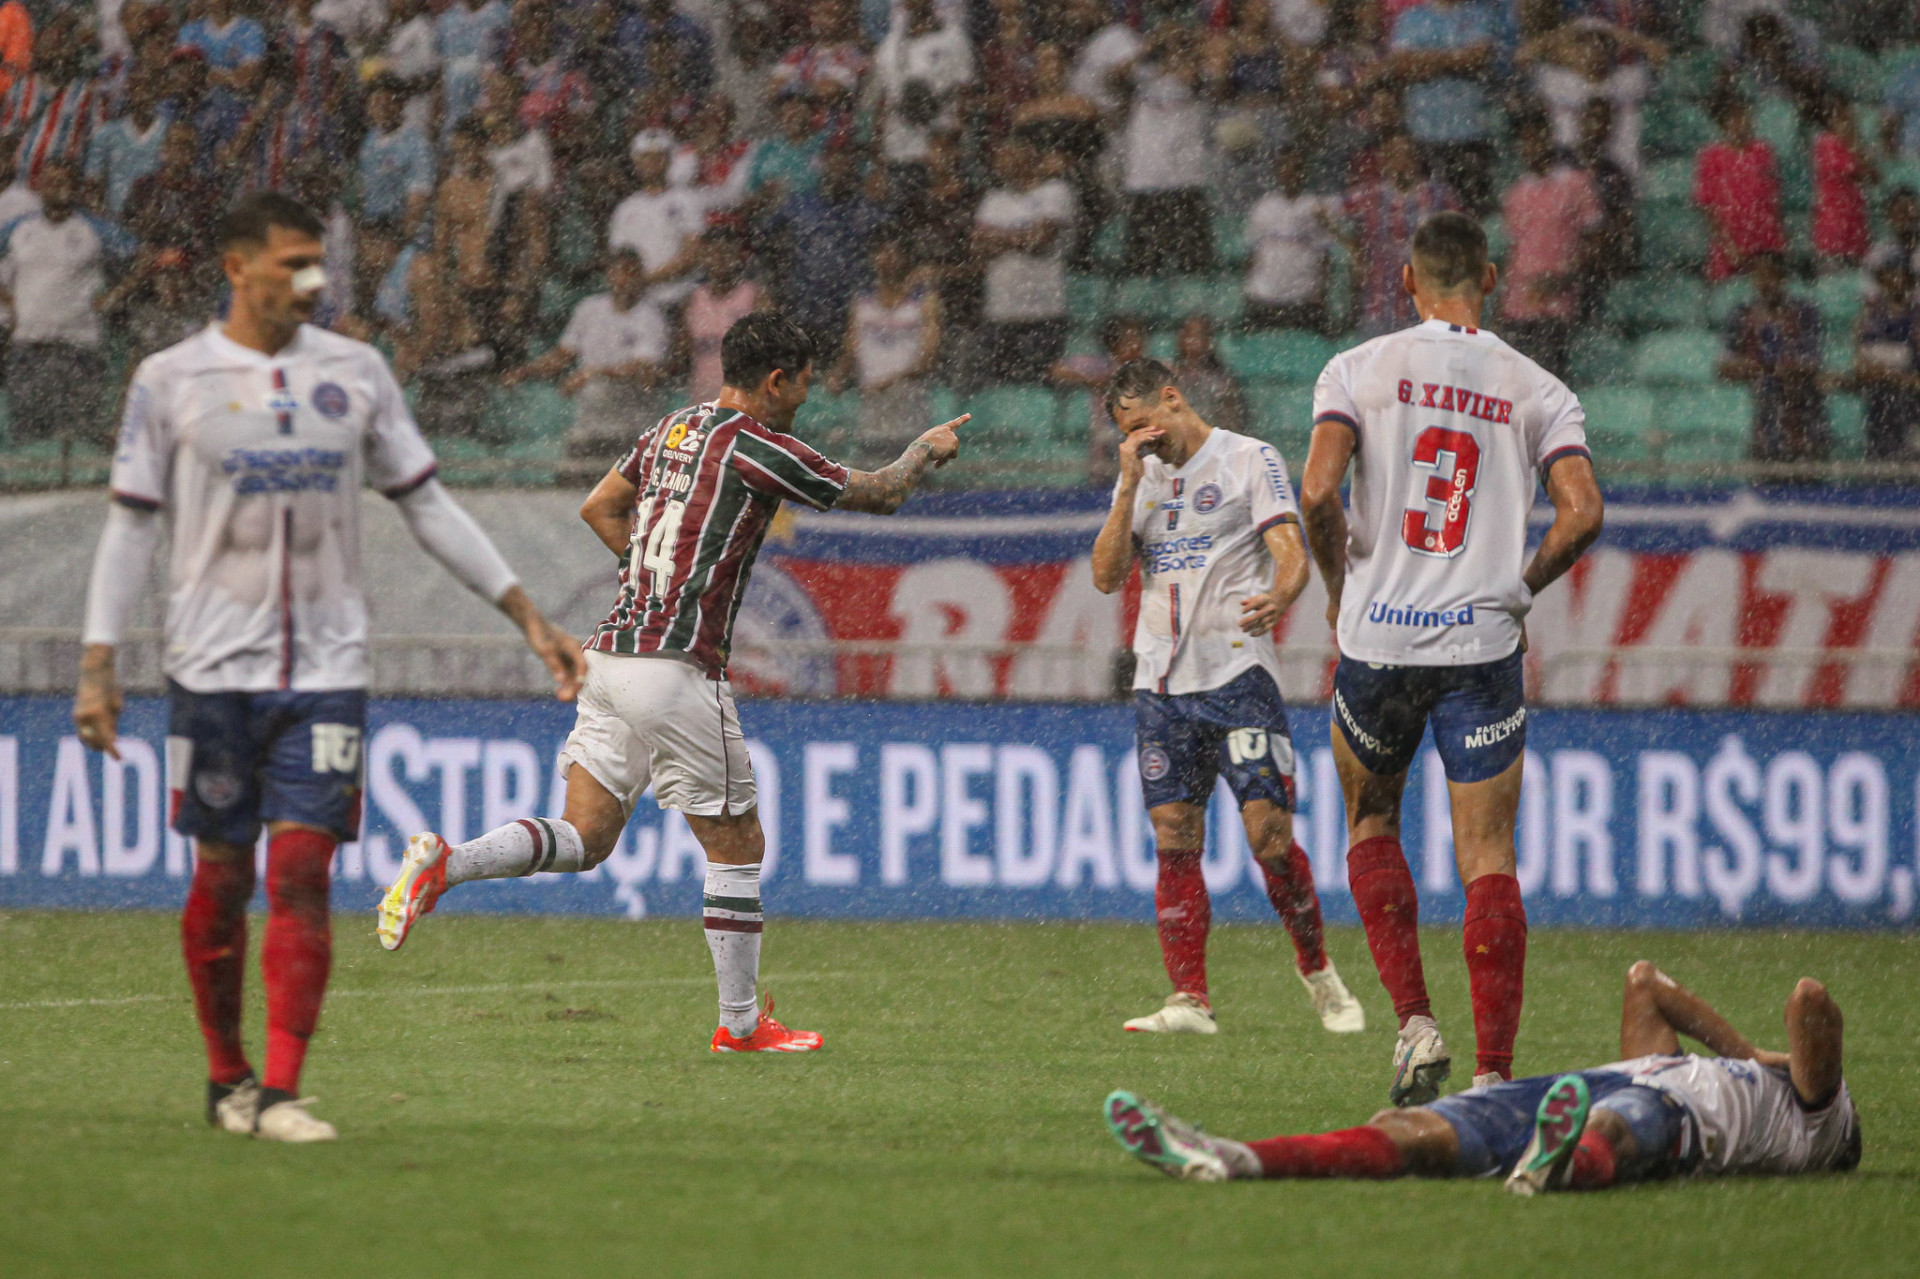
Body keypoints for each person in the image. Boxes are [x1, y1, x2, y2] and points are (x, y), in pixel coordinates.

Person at [71, 192, 585, 1143]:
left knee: (303, 870)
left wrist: (526, 612)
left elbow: (427, 504)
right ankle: (226, 1076)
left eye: (319, 263)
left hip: (329, 668)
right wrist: (99, 659)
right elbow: (130, 525)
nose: (313, 281)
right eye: (292, 264)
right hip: (212, 671)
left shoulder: (356, 372)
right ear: (236, 268)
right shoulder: (170, 379)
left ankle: (281, 1090)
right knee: (223, 876)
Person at [376, 311, 971, 1054]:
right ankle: (743, 1024)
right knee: (736, 841)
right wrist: (925, 448)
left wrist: (653, 579)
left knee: (588, 835)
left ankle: (447, 863)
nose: (810, 395)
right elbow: (881, 492)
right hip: (675, 666)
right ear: (777, 379)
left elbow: (599, 505)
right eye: (806, 381)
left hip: (613, 653)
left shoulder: (671, 429)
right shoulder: (761, 446)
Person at [1298, 212, 1604, 1103]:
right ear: (1493, 277)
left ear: (1406, 282)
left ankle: (1415, 1022)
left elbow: (1318, 489)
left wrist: (1337, 585)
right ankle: (1496, 1077)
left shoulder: (1356, 369)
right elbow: (1583, 512)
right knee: (1488, 856)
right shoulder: (1537, 386)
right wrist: (1523, 584)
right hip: (1481, 641)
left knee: (1371, 823)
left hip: (1380, 640)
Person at [1089, 356, 1364, 1038]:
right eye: (1128, 435)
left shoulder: (1247, 459)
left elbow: (1290, 548)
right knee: (1174, 835)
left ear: (1173, 399)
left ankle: (1317, 968)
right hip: (1161, 683)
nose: (1140, 442)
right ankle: (1189, 997)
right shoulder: (1143, 481)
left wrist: (1284, 591)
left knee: (1269, 835)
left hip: (1239, 676)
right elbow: (1104, 576)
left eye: (1143, 427)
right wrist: (1127, 483)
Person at [1104, 962, 1861, 1191]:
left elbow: (1808, 999)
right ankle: (1237, 1155)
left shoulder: (1819, 1121)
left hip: (1675, 1119)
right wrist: (1742, 1051)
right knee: (1408, 1133)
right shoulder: (1740, 1073)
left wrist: (1767, 1058)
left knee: (1615, 1129)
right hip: (1583, 1086)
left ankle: (1557, 1164)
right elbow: (1644, 984)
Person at [0, 159, 135, 447]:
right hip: (29, 345)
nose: (57, 188)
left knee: (83, 435)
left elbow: (141, 256)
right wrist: (9, 301)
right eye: (50, 182)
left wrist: (114, 295)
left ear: (75, 187)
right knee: (28, 436)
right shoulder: (20, 229)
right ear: (39, 187)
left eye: (63, 181)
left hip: (79, 346)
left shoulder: (95, 228)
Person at [500, 247, 670, 458]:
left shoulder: (651, 317)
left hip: (632, 425)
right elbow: (562, 355)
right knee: (572, 480)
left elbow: (644, 369)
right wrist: (525, 371)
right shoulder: (589, 309)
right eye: (620, 271)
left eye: (632, 272)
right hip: (590, 423)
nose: (626, 279)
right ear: (609, 274)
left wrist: (593, 373)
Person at [1498, 113, 1602, 380]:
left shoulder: (1576, 185)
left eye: (1536, 138)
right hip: (1518, 303)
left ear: (1549, 140)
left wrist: (1564, 278)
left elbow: (1595, 241)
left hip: (1557, 300)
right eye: (1525, 141)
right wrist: (1503, 300)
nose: (1531, 147)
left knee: (1547, 378)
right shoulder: (1516, 194)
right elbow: (1515, 250)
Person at [972, 134, 1074, 384]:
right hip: (1000, 312)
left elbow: (1042, 238)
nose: (999, 162)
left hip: (1042, 311)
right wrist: (1021, 237)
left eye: (1006, 155)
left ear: (1027, 156)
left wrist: (999, 237)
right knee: (1000, 389)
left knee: (1040, 387)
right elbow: (977, 246)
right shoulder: (994, 199)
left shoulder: (1055, 191)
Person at [835, 235, 942, 468]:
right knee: (873, 469)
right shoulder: (862, 301)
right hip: (872, 399)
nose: (888, 260)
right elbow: (851, 345)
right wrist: (839, 374)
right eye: (882, 253)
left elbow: (928, 358)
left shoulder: (923, 301)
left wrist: (891, 381)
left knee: (913, 469)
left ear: (905, 258)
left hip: (909, 398)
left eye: (894, 253)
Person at [1718, 251, 1828, 465]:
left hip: (1799, 398)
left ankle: (1805, 458)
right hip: (1759, 396)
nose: (1765, 283)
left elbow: (1811, 362)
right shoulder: (1741, 314)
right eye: (1759, 277)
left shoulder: (1803, 312)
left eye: (1771, 276)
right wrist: (1765, 369)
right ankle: (1767, 459)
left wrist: (1774, 369)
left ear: (1783, 279)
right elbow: (1724, 367)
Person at [1242, 147, 1339, 333]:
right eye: (1284, 167)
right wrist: (1247, 290)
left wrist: (1321, 293)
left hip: (1304, 296)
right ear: (1277, 171)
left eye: (1295, 167)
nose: (1290, 173)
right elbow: (1251, 253)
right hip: (1265, 294)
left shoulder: (1317, 207)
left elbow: (1325, 256)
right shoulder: (1263, 207)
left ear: (1304, 171)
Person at [1694, 92, 1785, 284]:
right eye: (1734, 118)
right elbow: (1708, 207)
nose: (1741, 123)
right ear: (1724, 123)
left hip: (1764, 244)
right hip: (1731, 247)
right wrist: (1729, 246)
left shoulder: (1763, 152)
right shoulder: (1710, 157)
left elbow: (1772, 199)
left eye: (1744, 116)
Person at [1052, 313, 1147, 486]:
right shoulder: (1100, 365)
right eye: (1131, 339)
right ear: (1115, 343)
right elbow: (1056, 370)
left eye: (1139, 338)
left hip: (1137, 437)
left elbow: (1173, 375)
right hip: (1104, 437)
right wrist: (1094, 381)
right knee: (1106, 437)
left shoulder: (1148, 369)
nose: (1138, 345)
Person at [1850, 250, 1920, 461]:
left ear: (1909, 281)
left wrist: (1898, 376)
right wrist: (1876, 372)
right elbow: (1860, 362)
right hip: (1880, 394)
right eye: (1888, 276)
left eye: (1899, 275)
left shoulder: (1916, 317)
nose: (1894, 281)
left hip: (1911, 396)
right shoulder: (1869, 318)